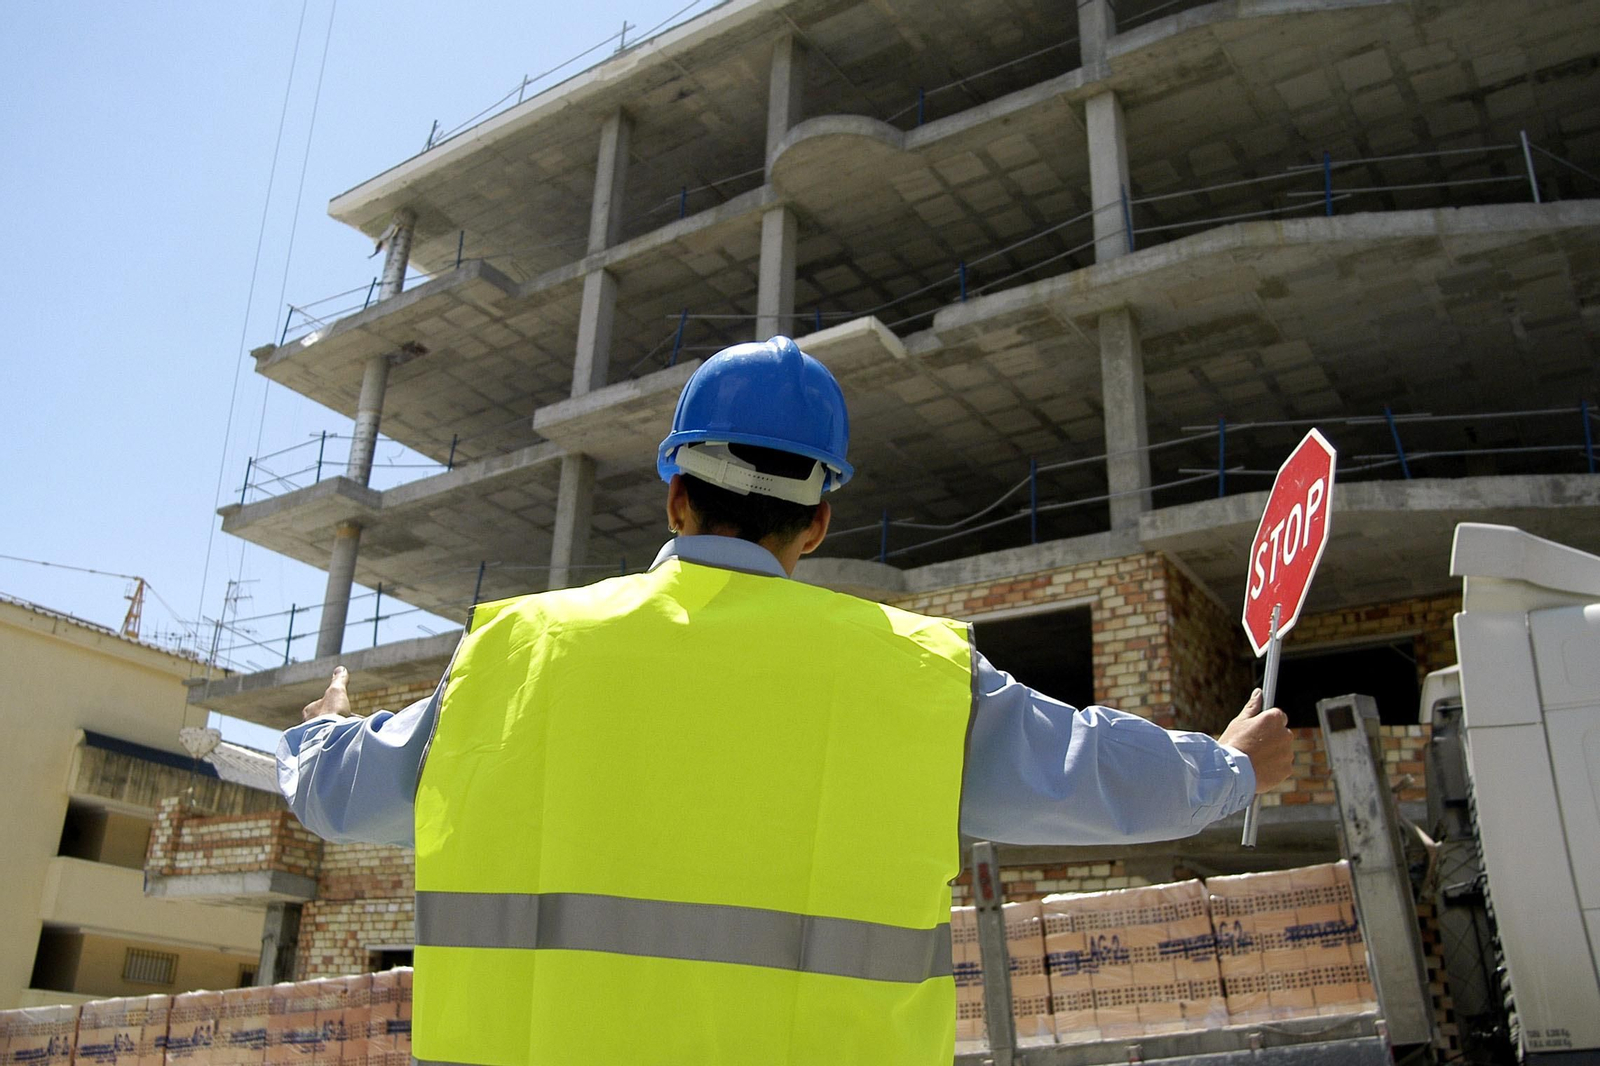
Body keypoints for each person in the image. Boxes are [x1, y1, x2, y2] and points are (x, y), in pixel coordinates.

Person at [278, 336, 1292, 1066]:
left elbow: (338, 795)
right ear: (817, 522)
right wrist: (1231, 766)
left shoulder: (517, 654)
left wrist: (320, 729)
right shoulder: (911, 676)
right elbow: (1093, 774)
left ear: (676, 495)